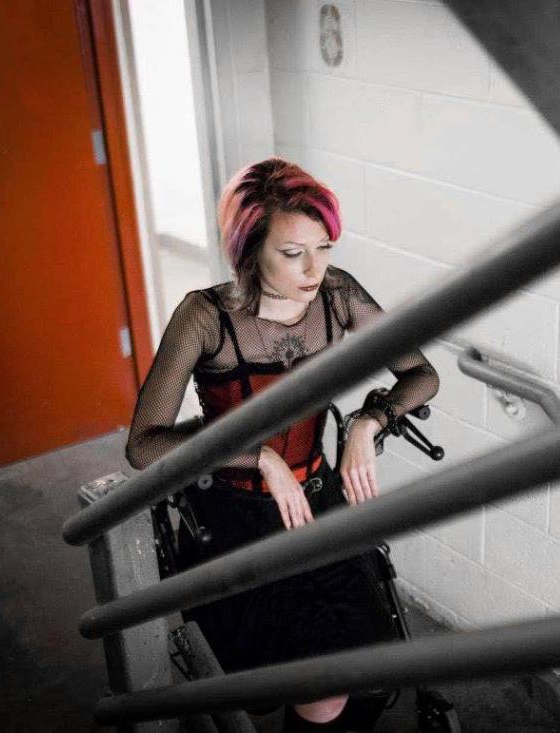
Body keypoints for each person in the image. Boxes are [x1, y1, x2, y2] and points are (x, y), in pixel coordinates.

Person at [125, 156, 440, 731]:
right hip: (237, 515)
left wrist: (369, 422)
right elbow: (144, 445)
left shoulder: (337, 296)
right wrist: (259, 457)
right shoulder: (206, 317)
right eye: (292, 253)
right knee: (316, 692)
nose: (313, 268)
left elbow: (422, 375)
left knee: (372, 669)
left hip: (316, 500)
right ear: (250, 252)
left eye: (324, 248)